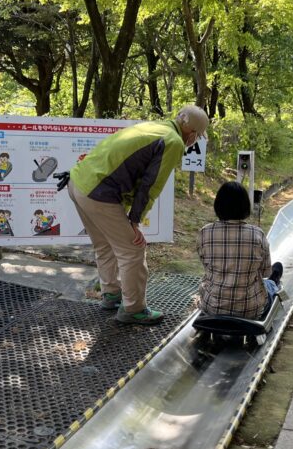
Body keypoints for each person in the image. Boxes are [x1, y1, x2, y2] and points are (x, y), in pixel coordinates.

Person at [68, 105, 210, 325]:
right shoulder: (173, 142)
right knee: (133, 249)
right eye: (198, 136)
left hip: (78, 183)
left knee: (104, 243)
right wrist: (134, 221)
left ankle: (112, 295)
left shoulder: (156, 127)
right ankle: (133, 309)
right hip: (98, 192)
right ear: (192, 134)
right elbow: (150, 186)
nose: (195, 140)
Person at [198, 181, 283, 319]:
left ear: (218, 205)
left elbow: (206, 265)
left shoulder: (205, 232)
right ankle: (274, 282)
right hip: (250, 309)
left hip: (212, 307)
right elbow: (265, 272)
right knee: (269, 283)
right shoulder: (257, 234)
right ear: (245, 206)